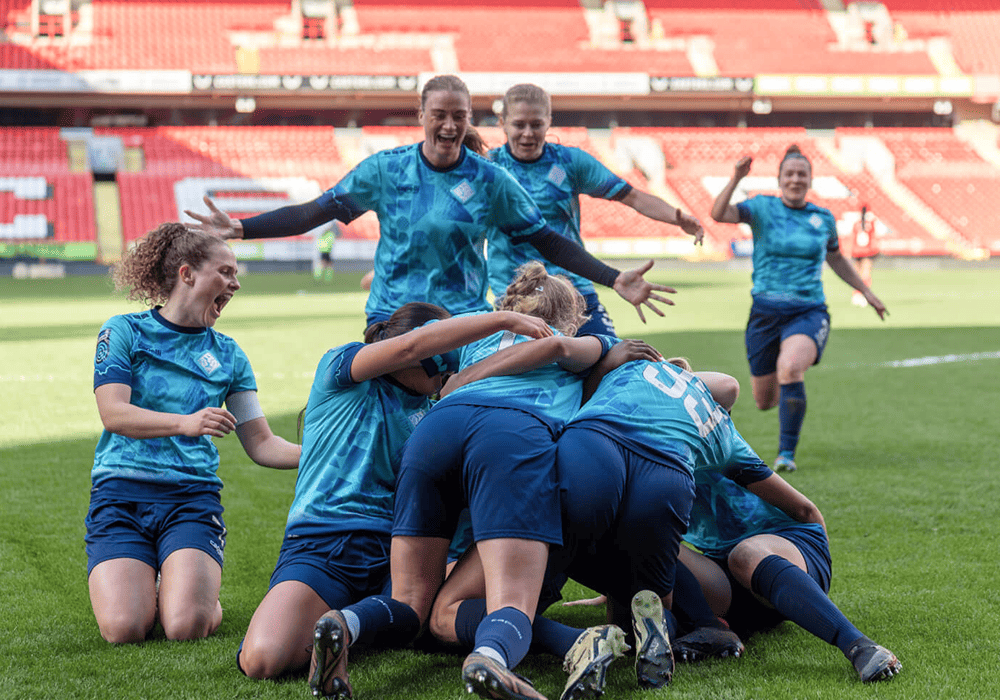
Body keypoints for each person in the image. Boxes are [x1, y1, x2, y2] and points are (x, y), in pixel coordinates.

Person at [308, 263, 613, 700]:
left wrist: (463, 380)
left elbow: (445, 374)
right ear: (571, 315)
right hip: (511, 434)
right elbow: (563, 349)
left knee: (413, 600)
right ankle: (490, 657)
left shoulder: (474, 340)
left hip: (436, 432)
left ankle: (347, 623)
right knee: (511, 600)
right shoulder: (581, 342)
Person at [185, 75, 674, 329]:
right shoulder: (385, 169)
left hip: (461, 318)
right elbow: (316, 212)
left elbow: (549, 241)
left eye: (458, 116)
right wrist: (244, 229)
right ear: (421, 115)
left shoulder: (491, 180)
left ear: (469, 120)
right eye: (438, 114)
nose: (448, 125)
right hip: (391, 319)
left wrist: (613, 278)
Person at [237, 302, 551, 680]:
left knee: (452, 613)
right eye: (446, 357)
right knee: (262, 660)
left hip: (403, 551)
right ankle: (361, 624)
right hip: (324, 544)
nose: (452, 369)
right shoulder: (342, 369)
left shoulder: (439, 409)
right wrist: (504, 318)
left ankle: (577, 641)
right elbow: (410, 348)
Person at [87, 223, 301, 644]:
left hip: (191, 498)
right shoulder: (124, 331)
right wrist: (187, 423)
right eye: (225, 272)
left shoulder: (230, 355)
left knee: (185, 627)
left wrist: (325, 451)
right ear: (187, 274)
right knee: (124, 630)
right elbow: (113, 413)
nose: (235, 283)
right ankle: (158, 584)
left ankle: (189, 593)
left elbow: (261, 443)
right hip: (120, 494)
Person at [710, 146, 888, 472]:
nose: (795, 179)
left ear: (810, 180)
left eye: (801, 174)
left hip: (808, 311)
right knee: (764, 401)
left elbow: (836, 259)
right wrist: (736, 177)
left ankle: (786, 455)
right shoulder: (761, 207)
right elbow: (718, 214)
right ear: (780, 179)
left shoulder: (823, 219)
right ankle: (784, 394)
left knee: (790, 367)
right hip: (764, 314)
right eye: (789, 174)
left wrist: (865, 290)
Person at [487, 83, 705, 335]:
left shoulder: (570, 162)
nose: (527, 133)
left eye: (536, 124)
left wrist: (677, 219)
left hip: (574, 292)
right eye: (518, 124)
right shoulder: (488, 169)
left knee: (610, 364)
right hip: (516, 298)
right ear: (502, 122)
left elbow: (632, 196)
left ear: (549, 121)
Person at [677, 461, 902, 683]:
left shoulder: (713, 439)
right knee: (650, 543)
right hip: (728, 578)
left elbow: (806, 511)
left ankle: (860, 646)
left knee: (744, 554)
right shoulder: (647, 462)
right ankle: (707, 627)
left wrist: (808, 585)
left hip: (789, 550)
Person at [850, 206, 880, 307]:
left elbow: (853, 239)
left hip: (857, 251)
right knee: (865, 275)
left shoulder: (856, 224)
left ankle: (857, 295)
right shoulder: (871, 224)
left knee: (857, 275)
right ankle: (863, 295)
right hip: (867, 251)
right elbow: (873, 239)